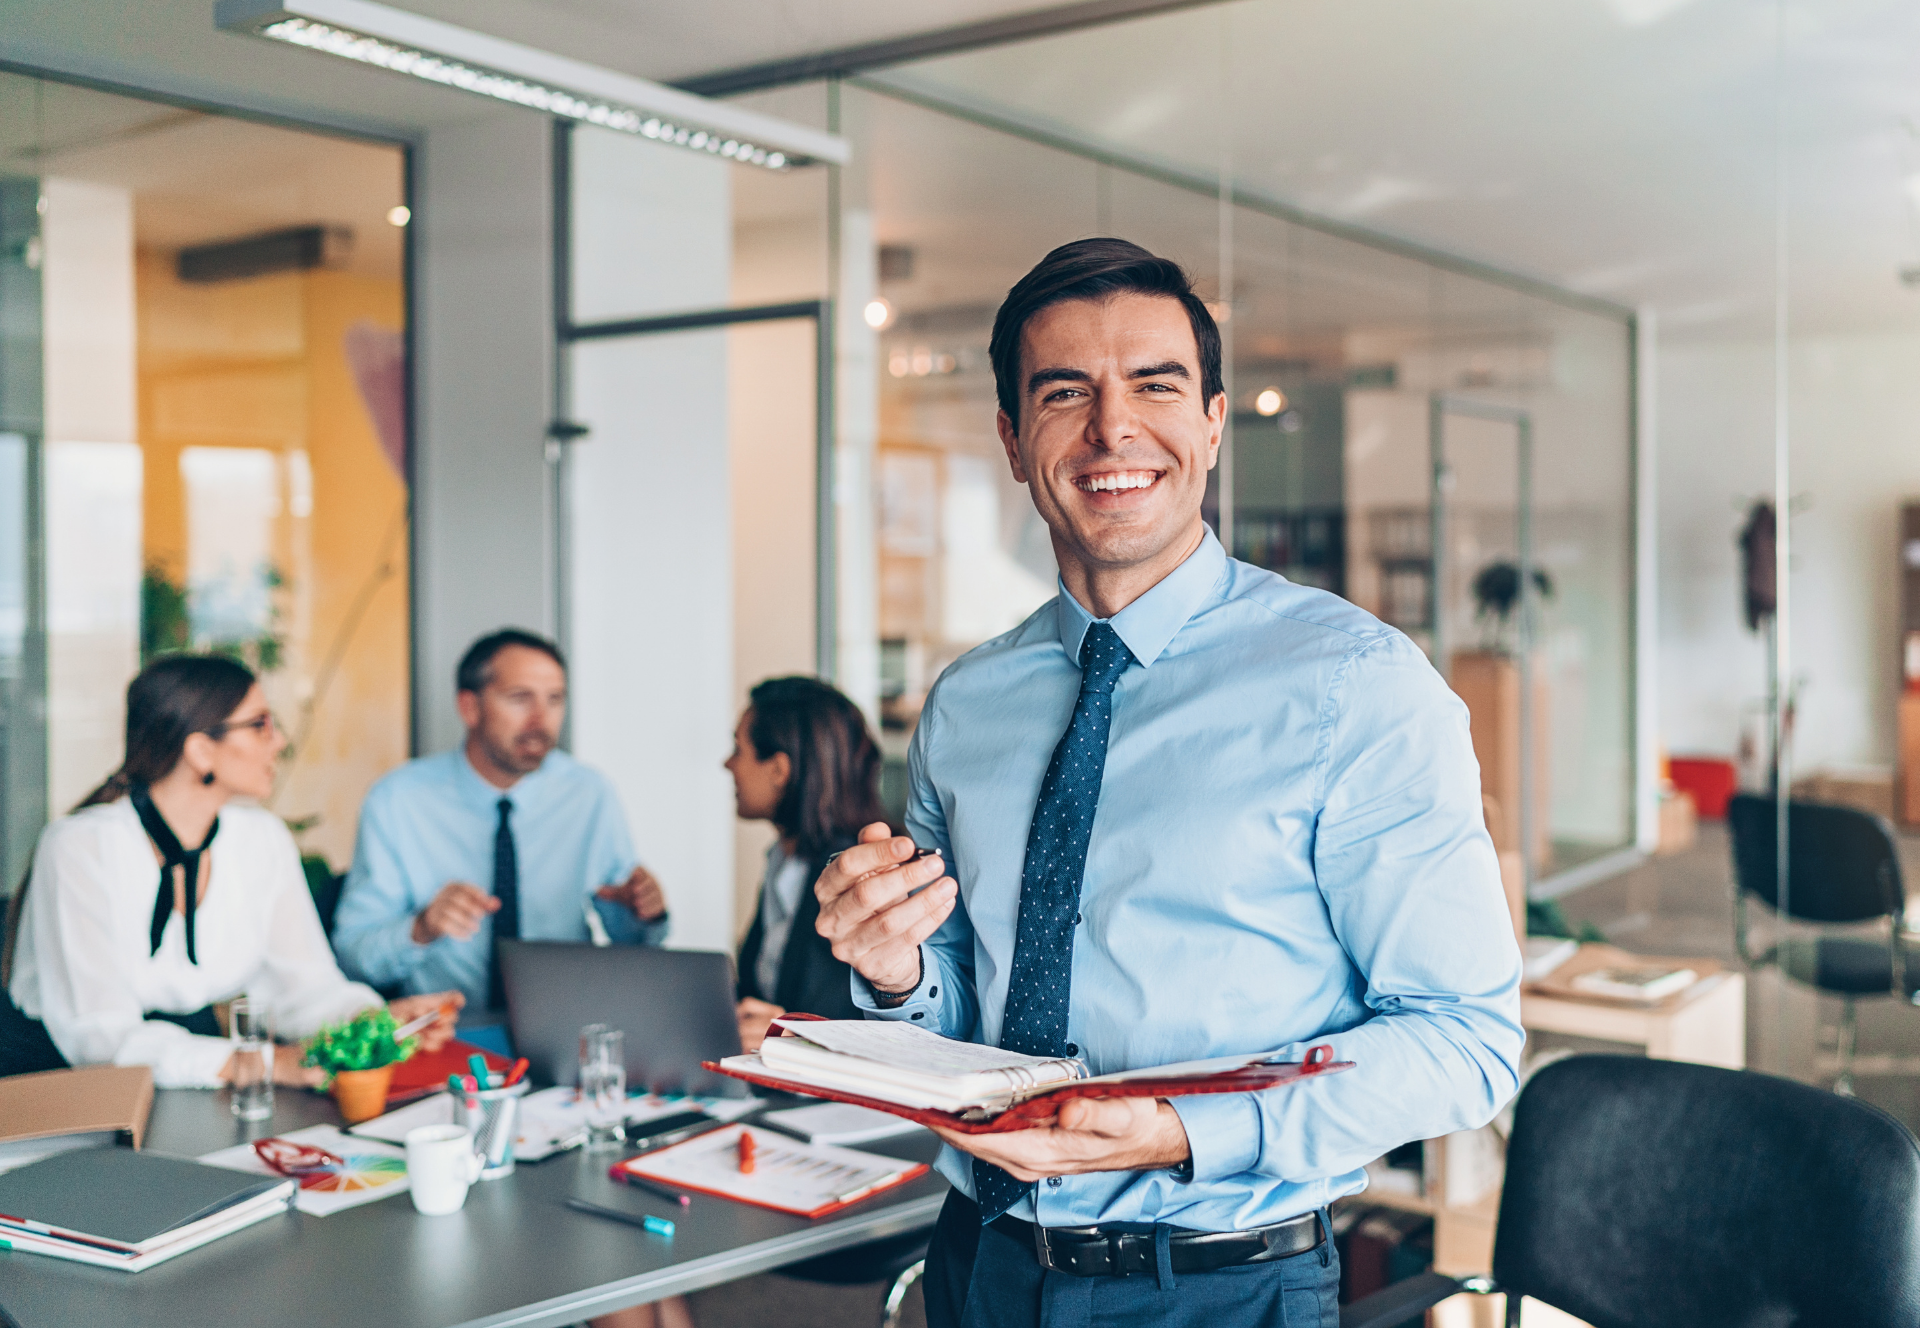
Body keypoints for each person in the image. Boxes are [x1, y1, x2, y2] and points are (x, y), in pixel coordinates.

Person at [812, 238, 1525, 1327]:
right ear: (1012, 438)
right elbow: (962, 1002)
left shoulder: (1356, 685)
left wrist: (1181, 1130)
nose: (1113, 429)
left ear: (1213, 422)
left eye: (1155, 385)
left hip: (1217, 1285)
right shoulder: (967, 703)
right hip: (981, 1265)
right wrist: (898, 967)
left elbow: (1464, 1040)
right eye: (1065, 392)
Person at [2, 655, 460, 1088]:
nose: (279, 742)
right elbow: (99, 1038)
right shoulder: (79, 847)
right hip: (60, 1086)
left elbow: (304, 987)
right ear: (200, 750)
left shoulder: (261, 838)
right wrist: (265, 1063)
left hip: (193, 1071)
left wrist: (373, 1021)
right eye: (260, 725)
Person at [332, 629, 669, 1012]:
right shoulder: (397, 800)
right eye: (520, 698)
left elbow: (636, 945)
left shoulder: (589, 794)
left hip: (564, 1022)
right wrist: (421, 929)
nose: (541, 720)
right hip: (446, 1029)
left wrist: (642, 914)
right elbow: (353, 956)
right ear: (470, 708)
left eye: (555, 699)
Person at [725, 676, 891, 1052]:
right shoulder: (781, 862)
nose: (728, 764)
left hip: (831, 1086)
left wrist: (798, 1038)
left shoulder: (861, 878)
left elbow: (878, 1032)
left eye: (738, 749)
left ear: (778, 769)